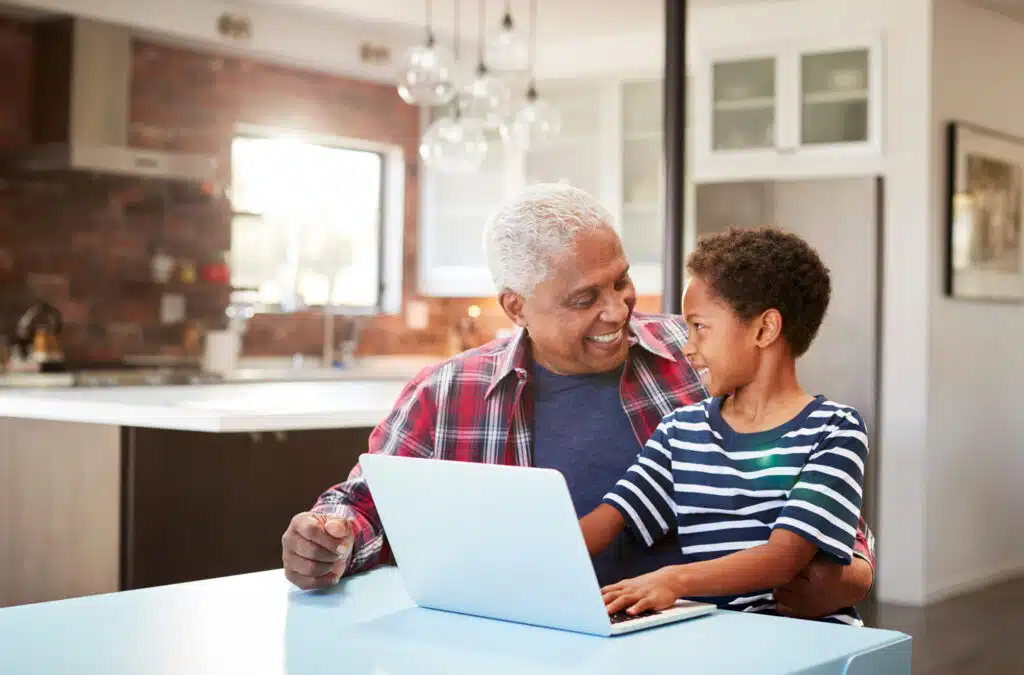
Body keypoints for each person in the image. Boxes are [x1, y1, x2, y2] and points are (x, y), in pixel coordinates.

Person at [280, 183, 875, 619]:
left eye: (619, 280)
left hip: (696, 639)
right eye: (584, 297)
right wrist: (327, 540)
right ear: (516, 306)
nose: (617, 310)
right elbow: (365, 505)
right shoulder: (446, 395)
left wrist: (850, 574)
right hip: (531, 645)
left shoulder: (701, 358)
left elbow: (807, 483)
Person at [580, 227, 867, 625]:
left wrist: (674, 580)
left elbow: (783, 558)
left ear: (764, 329)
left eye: (700, 327)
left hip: (807, 640)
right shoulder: (679, 431)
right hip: (717, 638)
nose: (687, 346)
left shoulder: (835, 430)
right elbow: (608, 520)